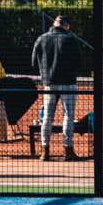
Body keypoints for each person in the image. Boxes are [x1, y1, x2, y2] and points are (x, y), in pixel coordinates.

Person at [32, 15, 85, 161]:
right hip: (68, 81)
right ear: (67, 26)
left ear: (53, 24)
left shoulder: (41, 39)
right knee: (68, 115)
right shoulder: (71, 39)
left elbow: (33, 62)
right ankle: (68, 150)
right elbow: (79, 62)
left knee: (47, 116)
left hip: (49, 83)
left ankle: (45, 151)